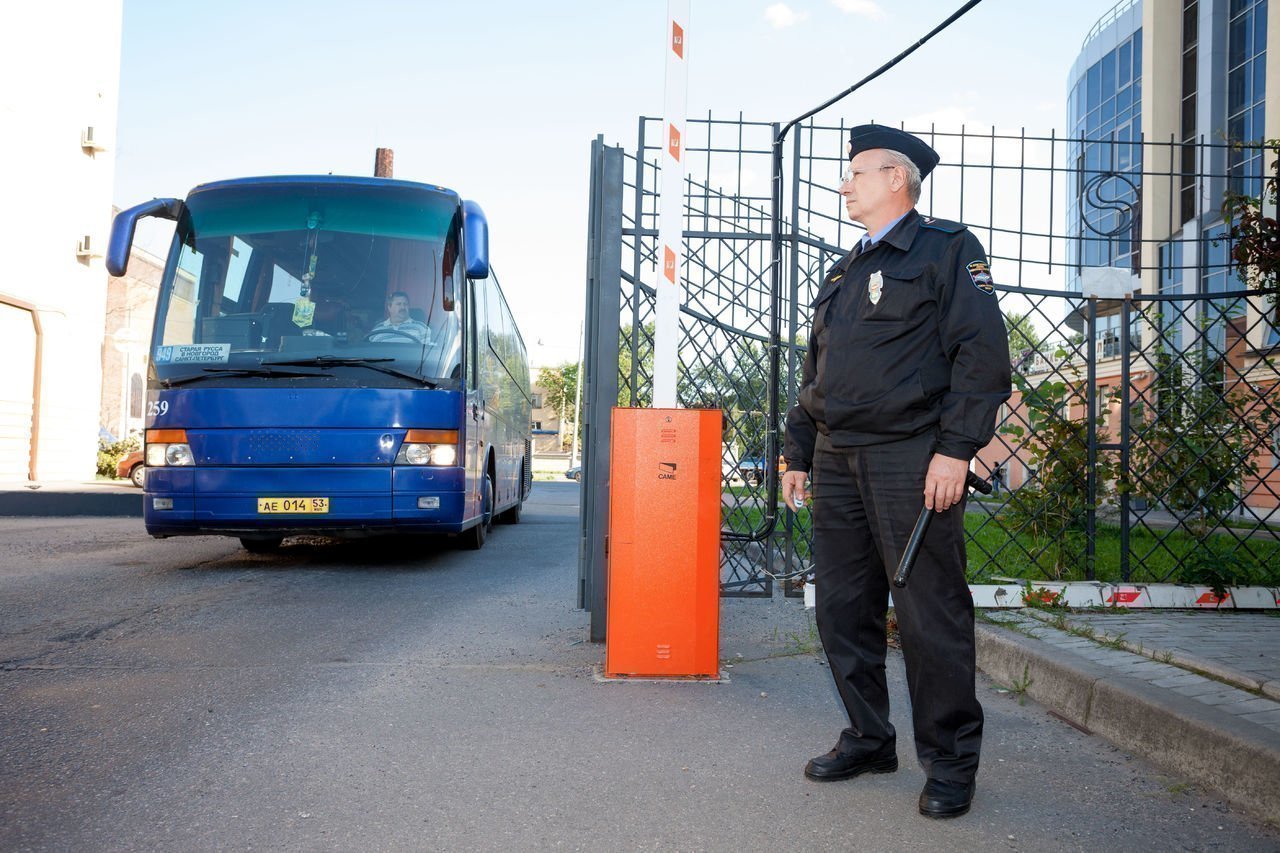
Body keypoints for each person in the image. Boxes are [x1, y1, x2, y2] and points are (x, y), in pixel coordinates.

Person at [781, 125, 1012, 819]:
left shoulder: (946, 250)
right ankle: (869, 735)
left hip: (912, 457)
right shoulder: (842, 269)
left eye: (856, 173)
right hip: (838, 457)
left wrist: (956, 448)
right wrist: (797, 450)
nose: (844, 183)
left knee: (927, 613)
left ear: (896, 179)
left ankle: (950, 763)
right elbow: (816, 373)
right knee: (843, 608)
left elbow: (982, 356)